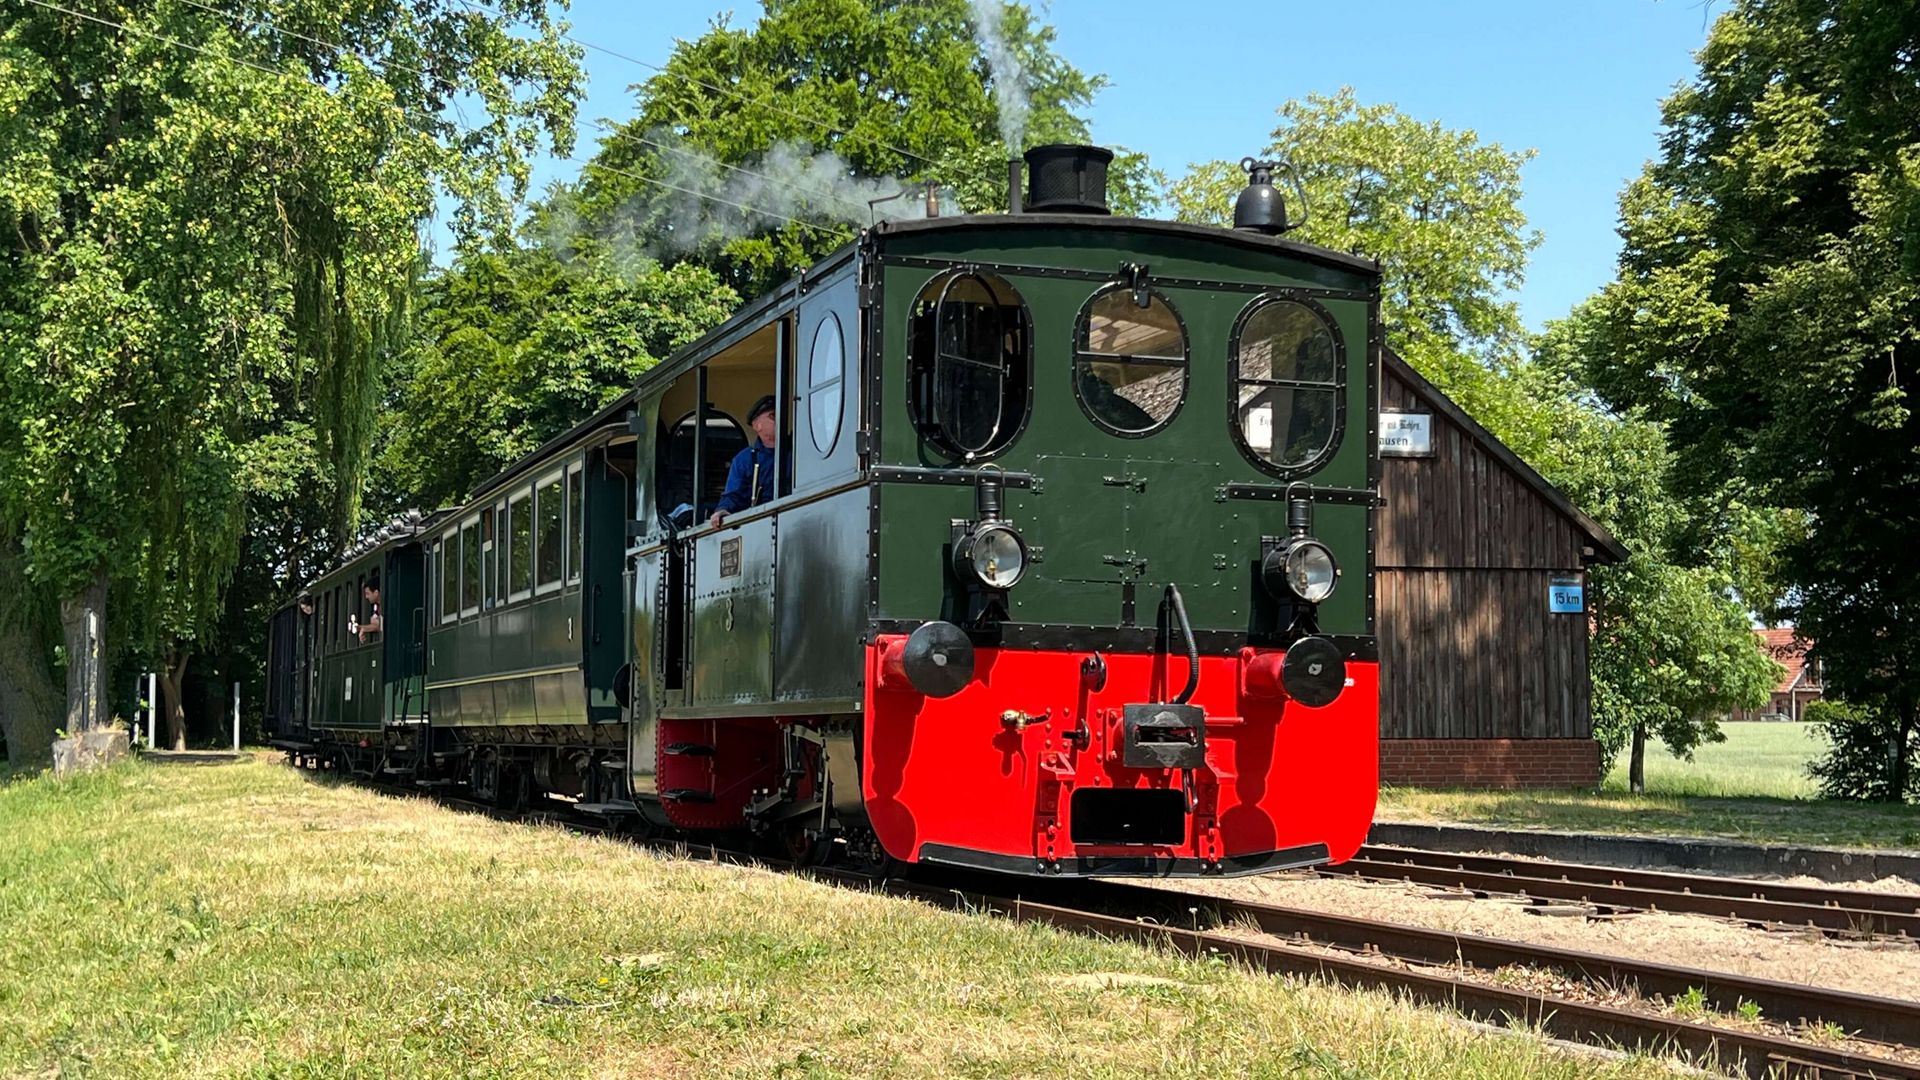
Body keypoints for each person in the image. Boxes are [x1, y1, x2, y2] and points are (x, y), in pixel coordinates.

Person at [710, 394, 781, 527]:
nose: (779, 419)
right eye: (772, 416)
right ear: (757, 425)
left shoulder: (796, 450)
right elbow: (733, 495)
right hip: (761, 525)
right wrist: (722, 510)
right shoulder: (744, 460)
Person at [358, 576, 382, 643]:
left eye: (368, 593)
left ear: (376, 593)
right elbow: (376, 624)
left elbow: (381, 625)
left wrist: (364, 628)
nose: (366, 597)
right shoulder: (376, 607)